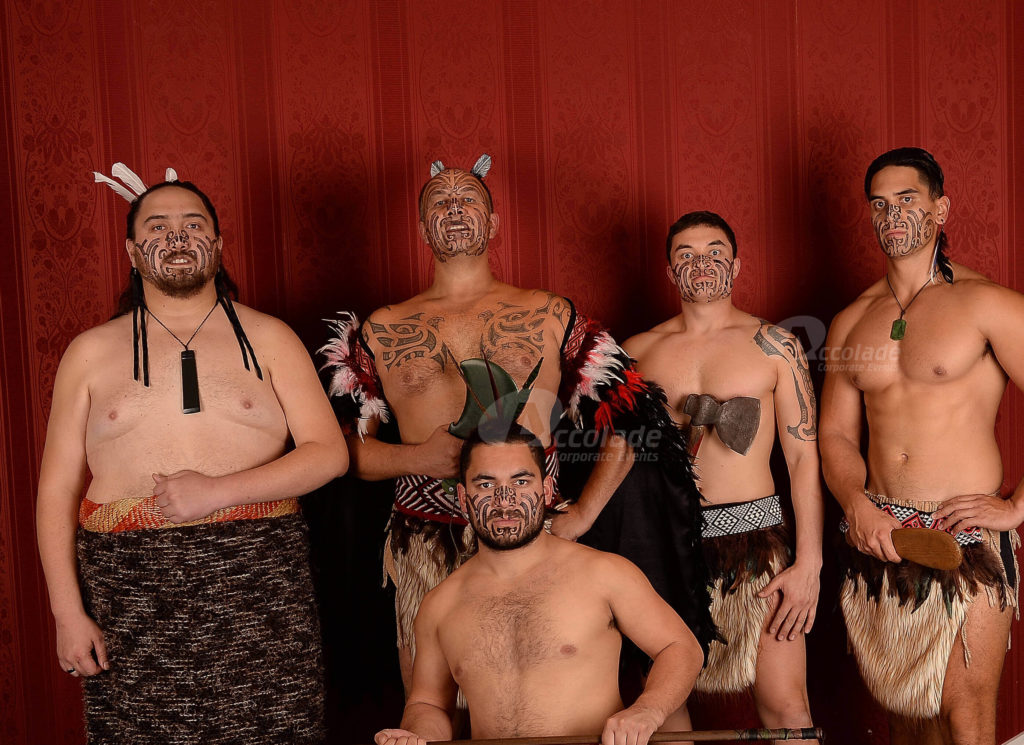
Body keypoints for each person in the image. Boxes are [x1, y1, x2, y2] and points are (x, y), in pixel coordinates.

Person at [321, 156, 714, 693]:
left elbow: (634, 420)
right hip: (427, 541)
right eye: (441, 201)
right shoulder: (380, 330)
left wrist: (582, 515)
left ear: (494, 222)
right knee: (434, 705)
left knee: (538, 699)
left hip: (537, 535)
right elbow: (340, 449)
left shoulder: (549, 314)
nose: (455, 209)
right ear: (419, 227)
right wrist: (417, 458)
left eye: (469, 201)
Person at [36, 166, 349, 744]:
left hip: (259, 579)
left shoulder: (270, 337)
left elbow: (329, 454)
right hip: (129, 587)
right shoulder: (89, 352)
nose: (176, 237)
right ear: (132, 251)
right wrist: (67, 613)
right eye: (157, 226)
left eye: (192, 223)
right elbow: (56, 489)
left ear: (219, 243)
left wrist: (218, 492)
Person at [820, 146, 1022, 745]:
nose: (892, 214)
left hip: (965, 539)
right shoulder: (851, 320)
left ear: (940, 209)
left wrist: (1016, 508)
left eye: (907, 199)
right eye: (879, 204)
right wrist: (854, 502)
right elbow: (834, 433)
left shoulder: (986, 304)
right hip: (880, 536)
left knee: (964, 714)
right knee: (906, 720)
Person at [373, 425, 704, 745]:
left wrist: (647, 711)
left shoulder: (604, 574)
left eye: (520, 481)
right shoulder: (439, 606)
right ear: (463, 497)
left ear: (545, 490)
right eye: (485, 485)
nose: (505, 500)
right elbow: (428, 705)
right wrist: (415, 737)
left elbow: (681, 649)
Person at [623, 211, 821, 742]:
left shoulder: (775, 345)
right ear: (669, 271)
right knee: (663, 710)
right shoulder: (636, 352)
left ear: (736, 265)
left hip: (756, 541)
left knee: (786, 707)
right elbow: (617, 461)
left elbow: (803, 458)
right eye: (686, 254)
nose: (702, 263)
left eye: (714, 251)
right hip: (665, 542)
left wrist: (810, 562)